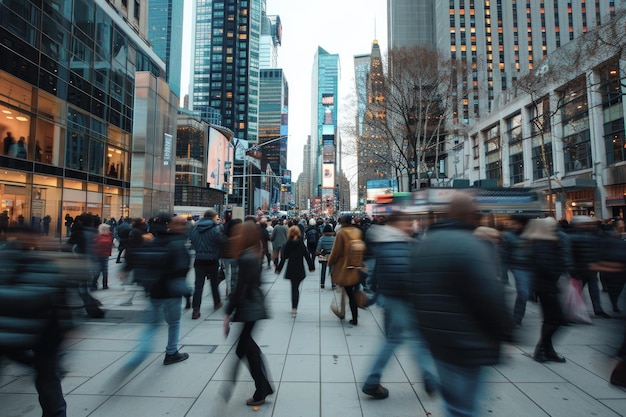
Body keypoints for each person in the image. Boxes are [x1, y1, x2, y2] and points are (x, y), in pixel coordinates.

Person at [406, 192, 513, 417]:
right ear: (470, 215)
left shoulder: (423, 245)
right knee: (465, 407)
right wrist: (506, 332)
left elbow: (412, 290)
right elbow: (490, 294)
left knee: (455, 404)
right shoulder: (473, 246)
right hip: (469, 341)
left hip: (436, 339)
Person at [0, 226, 78, 417]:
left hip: (8, 333)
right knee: (48, 378)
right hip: (41, 334)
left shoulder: (5, 258)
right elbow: (59, 298)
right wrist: (67, 326)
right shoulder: (44, 263)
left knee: (45, 375)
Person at [362, 211, 437, 400]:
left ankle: (374, 380)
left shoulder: (388, 243)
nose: (410, 226)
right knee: (408, 339)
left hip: (391, 298)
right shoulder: (396, 244)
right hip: (401, 300)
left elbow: (376, 275)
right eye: (406, 223)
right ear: (395, 225)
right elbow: (401, 276)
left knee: (395, 339)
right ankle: (428, 378)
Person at [122, 215, 191, 366]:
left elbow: (140, 260)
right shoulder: (177, 243)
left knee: (152, 324)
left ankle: (142, 351)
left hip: (154, 290)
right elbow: (182, 268)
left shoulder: (153, 241)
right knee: (174, 322)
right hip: (171, 291)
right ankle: (171, 352)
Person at [223, 220, 273, 406]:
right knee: (248, 348)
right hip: (253, 306)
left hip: (250, 308)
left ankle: (262, 389)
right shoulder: (253, 254)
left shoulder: (246, 258)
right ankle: (263, 387)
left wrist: (228, 313)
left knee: (243, 348)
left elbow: (240, 288)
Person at [521, 217, 569, 363]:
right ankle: (541, 350)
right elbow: (545, 265)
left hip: (544, 286)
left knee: (550, 319)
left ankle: (547, 350)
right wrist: (556, 273)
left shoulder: (542, 242)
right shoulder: (543, 244)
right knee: (556, 319)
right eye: (551, 227)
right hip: (546, 286)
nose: (554, 229)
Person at [567, 215, 610, 318]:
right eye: (585, 224)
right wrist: (572, 268)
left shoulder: (592, 236)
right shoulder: (574, 237)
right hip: (581, 268)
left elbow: (597, 251)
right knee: (580, 290)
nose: (588, 225)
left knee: (590, 289)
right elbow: (569, 254)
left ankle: (596, 309)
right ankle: (578, 310)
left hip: (588, 268)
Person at [189, 209, 227, 319]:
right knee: (214, 283)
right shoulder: (216, 228)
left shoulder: (195, 228)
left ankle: (196, 309)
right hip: (212, 259)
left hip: (199, 259)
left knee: (198, 285)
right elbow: (222, 241)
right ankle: (217, 302)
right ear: (212, 217)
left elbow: (192, 241)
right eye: (216, 217)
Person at [327, 214, 364, 325]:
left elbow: (336, 251)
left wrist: (330, 262)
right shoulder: (357, 231)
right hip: (356, 265)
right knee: (351, 291)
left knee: (348, 292)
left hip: (345, 267)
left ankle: (351, 316)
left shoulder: (342, 233)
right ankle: (350, 314)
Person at [500, 215, 533, 326]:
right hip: (518, 267)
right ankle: (517, 319)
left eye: (516, 223)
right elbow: (504, 256)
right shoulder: (509, 236)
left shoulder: (532, 235)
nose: (514, 225)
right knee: (523, 293)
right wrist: (504, 275)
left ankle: (517, 317)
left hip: (532, 267)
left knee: (526, 294)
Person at [276, 225, 315, 317]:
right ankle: (294, 307)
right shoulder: (301, 243)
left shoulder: (288, 244)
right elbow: (306, 256)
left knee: (294, 288)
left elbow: (283, 258)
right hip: (300, 268)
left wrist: (279, 269)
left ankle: (294, 308)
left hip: (291, 268)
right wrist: (311, 267)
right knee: (296, 288)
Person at [92, 223, 114, 290]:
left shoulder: (97, 236)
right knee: (105, 270)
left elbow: (93, 245)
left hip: (97, 254)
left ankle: (94, 284)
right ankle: (105, 285)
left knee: (97, 270)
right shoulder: (109, 237)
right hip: (105, 254)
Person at [316, 224, 336, 289]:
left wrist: (319, 253)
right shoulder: (334, 239)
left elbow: (318, 249)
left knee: (323, 270)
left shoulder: (321, 239)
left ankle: (322, 283)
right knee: (333, 270)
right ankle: (333, 284)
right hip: (332, 256)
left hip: (324, 255)